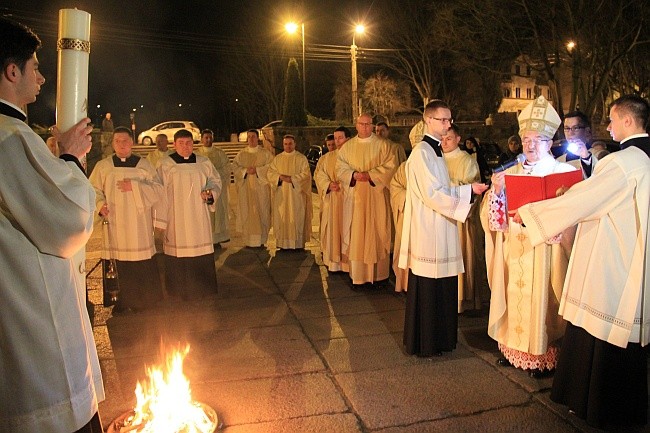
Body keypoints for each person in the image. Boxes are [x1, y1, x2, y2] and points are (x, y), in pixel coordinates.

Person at [514, 94, 649, 429]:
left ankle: (597, 406)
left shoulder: (623, 162)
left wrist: (533, 215)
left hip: (614, 256)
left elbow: (587, 200)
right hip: (639, 255)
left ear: (628, 121)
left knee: (603, 326)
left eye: (613, 120)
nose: (608, 126)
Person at [0, 17, 104, 433]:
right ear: (12, 71)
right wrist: (72, 160)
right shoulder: (11, 137)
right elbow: (69, 222)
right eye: (36, 67)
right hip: (36, 326)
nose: (43, 78)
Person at [480, 95, 578, 378]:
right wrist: (496, 193)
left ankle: (542, 353)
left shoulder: (562, 172)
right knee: (514, 295)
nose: (530, 145)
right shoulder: (509, 172)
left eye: (537, 140)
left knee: (543, 300)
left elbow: (572, 215)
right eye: (525, 139)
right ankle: (514, 349)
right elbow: (492, 219)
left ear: (550, 143)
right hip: (516, 247)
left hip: (545, 251)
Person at [399, 100, 487, 357]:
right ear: (428, 121)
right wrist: (467, 191)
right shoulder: (422, 153)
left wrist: (468, 190)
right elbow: (432, 194)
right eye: (443, 120)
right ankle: (426, 341)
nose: (448, 125)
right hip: (429, 230)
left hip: (441, 227)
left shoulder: (435, 151)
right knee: (429, 286)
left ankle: (442, 339)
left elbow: (442, 190)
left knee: (444, 285)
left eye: (449, 120)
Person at [89, 126, 164, 313]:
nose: (122, 144)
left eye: (125, 141)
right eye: (117, 141)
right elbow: (93, 189)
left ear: (132, 142)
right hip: (115, 222)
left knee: (140, 263)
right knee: (119, 263)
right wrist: (100, 205)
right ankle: (121, 301)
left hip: (138, 224)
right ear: (113, 143)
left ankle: (143, 300)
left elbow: (158, 189)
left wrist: (135, 186)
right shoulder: (103, 166)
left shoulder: (143, 165)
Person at [157, 129, 221, 299]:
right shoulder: (166, 165)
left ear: (194, 144)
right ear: (174, 145)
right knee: (177, 252)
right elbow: (158, 190)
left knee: (199, 250)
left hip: (198, 214)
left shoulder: (204, 162)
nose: (186, 147)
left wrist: (210, 193)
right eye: (181, 143)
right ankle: (178, 290)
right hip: (176, 216)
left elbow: (215, 181)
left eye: (189, 143)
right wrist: (161, 220)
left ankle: (203, 288)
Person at [336, 113, 397, 287]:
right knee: (357, 234)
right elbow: (340, 167)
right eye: (362, 124)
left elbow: (391, 167)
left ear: (372, 125)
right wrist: (354, 175)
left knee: (377, 232)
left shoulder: (384, 146)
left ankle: (379, 277)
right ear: (356, 125)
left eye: (368, 124)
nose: (365, 127)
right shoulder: (347, 148)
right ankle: (359, 277)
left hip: (377, 197)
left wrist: (370, 175)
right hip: (356, 200)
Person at [441, 124, 487, 313]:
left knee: (463, 255)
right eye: (442, 138)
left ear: (458, 139)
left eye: (449, 138)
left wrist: (445, 189)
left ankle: (463, 300)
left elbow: (471, 189)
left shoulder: (467, 161)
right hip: (441, 218)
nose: (444, 142)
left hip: (461, 220)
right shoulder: (437, 160)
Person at [315, 126, 351, 272]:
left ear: (347, 138)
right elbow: (319, 175)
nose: (337, 141)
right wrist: (329, 184)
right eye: (335, 138)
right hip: (332, 199)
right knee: (332, 232)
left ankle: (348, 265)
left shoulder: (353, 155)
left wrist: (344, 183)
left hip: (348, 200)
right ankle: (334, 264)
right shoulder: (326, 158)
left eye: (340, 138)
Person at [268, 134, 312, 250]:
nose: (288, 146)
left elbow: (306, 175)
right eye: (285, 144)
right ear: (283, 145)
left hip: (296, 195)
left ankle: (297, 244)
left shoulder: (301, 158)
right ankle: (283, 244)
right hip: (281, 195)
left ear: (294, 144)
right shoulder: (277, 159)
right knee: (282, 217)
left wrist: (292, 179)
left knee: (296, 216)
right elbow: (270, 173)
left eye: (290, 144)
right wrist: (280, 177)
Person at [232, 129, 273, 247]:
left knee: (262, 211)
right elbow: (235, 167)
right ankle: (248, 240)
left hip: (261, 189)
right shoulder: (241, 154)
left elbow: (271, 167)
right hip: (246, 190)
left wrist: (258, 171)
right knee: (247, 212)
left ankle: (261, 240)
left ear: (257, 138)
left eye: (253, 136)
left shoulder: (265, 153)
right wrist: (245, 171)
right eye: (249, 137)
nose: (251, 139)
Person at [195, 128, 231, 246]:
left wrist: (215, 176)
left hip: (217, 190)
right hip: (203, 189)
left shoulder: (220, 153)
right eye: (206, 137)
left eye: (210, 137)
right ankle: (204, 238)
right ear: (201, 139)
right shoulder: (196, 154)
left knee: (218, 213)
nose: (208, 139)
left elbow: (227, 168)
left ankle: (217, 239)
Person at [557, 110, 597, 178]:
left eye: (575, 128)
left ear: (587, 131)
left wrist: (586, 158)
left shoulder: (598, 155)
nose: (570, 133)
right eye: (567, 128)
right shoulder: (559, 160)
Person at [389, 161, 408, 292]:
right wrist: (408, 197)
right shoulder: (406, 166)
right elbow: (395, 185)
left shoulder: (438, 162)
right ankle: (406, 282)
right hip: (407, 214)